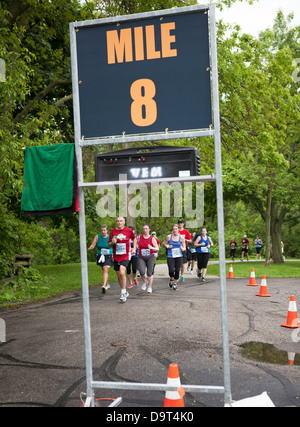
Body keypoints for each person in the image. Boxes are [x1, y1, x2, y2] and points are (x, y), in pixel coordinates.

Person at [108, 216, 136, 302]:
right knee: (118, 275)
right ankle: (124, 290)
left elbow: (134, 238)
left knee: (122, 272)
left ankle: (123, 292)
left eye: (121, 221)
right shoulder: (113, 231)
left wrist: (134, 248)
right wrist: (112, 242)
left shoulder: (128, 230)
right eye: (117, 221)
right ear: (116, 222)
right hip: (116, 255)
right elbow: (109, 244)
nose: (119, 222)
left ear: (124, 222)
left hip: (126, 254)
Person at [88, 224, 113, 293]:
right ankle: (107, 284)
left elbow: (113, 244)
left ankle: (104, 285)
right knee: (104, 270)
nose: (103, 232)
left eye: (104, 230)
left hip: (108, 255)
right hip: (100, 255)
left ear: (107, 231)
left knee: (105, 269)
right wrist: (91, 247)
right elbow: (93, 244)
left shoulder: (110, 237)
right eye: (102, 230)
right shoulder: (97, 236)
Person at [137, 224, 158, 294]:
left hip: (150, 257)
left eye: (146, 229)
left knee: (149, 273)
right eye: (144, 229)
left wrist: (151, 248)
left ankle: (149, 286)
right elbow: (137, 244)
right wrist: (136, 247)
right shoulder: (139, 237)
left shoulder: (152, 238)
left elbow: (157, 248)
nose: (145, 230)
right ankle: (145, 281)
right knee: (142, 272)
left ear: (149, 230)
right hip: (141, 257)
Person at [163, 224, 185, 290]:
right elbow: (164, 243)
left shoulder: (181, 238)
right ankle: (171, 279)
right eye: (173, 229)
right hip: (170, 255)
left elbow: (184, 246)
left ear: (178, 230)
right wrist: (167, 246)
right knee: (171, 270)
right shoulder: (169, 237)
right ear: (172, 230)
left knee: (177, 270)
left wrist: (182, 248)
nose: (175, 230)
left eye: (176, 229)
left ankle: (175, 284)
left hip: (178, 255)